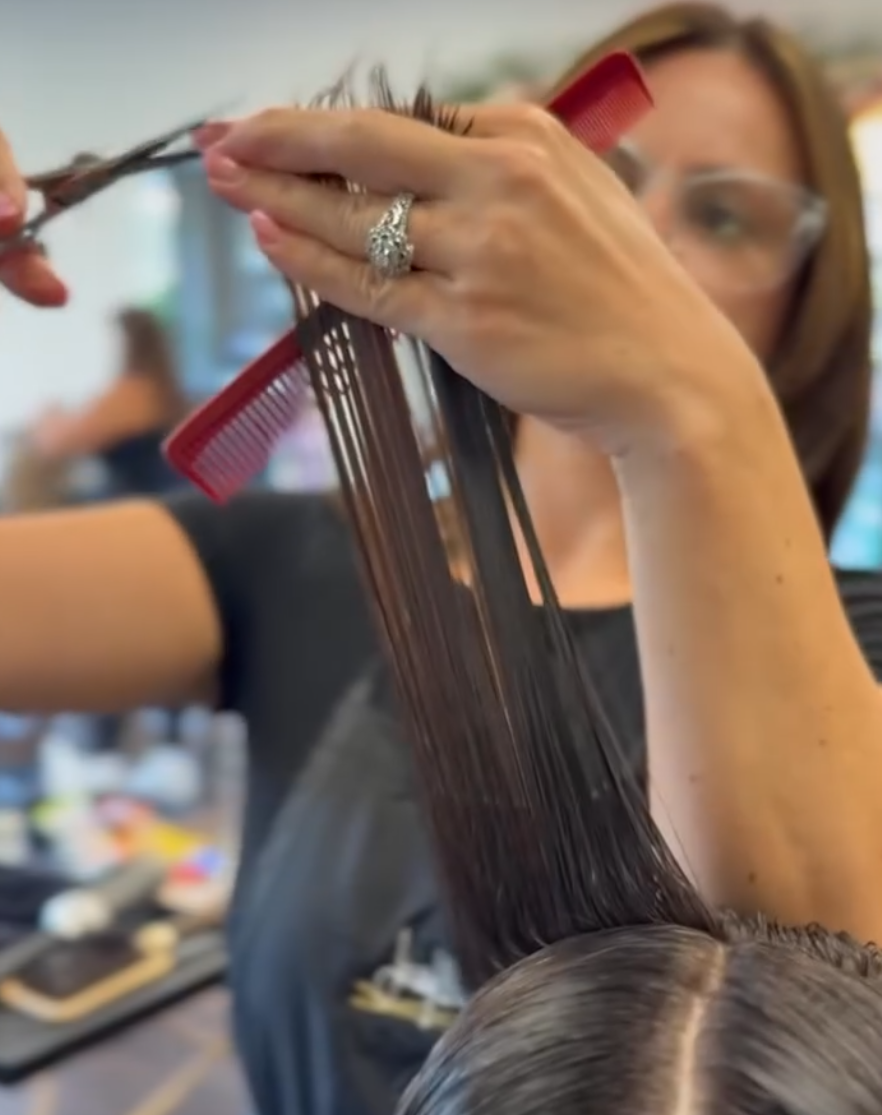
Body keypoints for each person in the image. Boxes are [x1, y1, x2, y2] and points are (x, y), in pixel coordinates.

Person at [0, 3, 880, 1113]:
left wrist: (687, 408)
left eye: (725, 215)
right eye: (608, 172)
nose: (636, 233)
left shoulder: (859, 653)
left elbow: (804, 1008)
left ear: (813, 301)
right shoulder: (294, 560)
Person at [20, 306, 188, 500]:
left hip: (137, 504)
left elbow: (54, 445)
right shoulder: (164, 388)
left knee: (27, 470)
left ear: (127, 344)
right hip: (160, 497)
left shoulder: (133, 393)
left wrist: (47, 417)